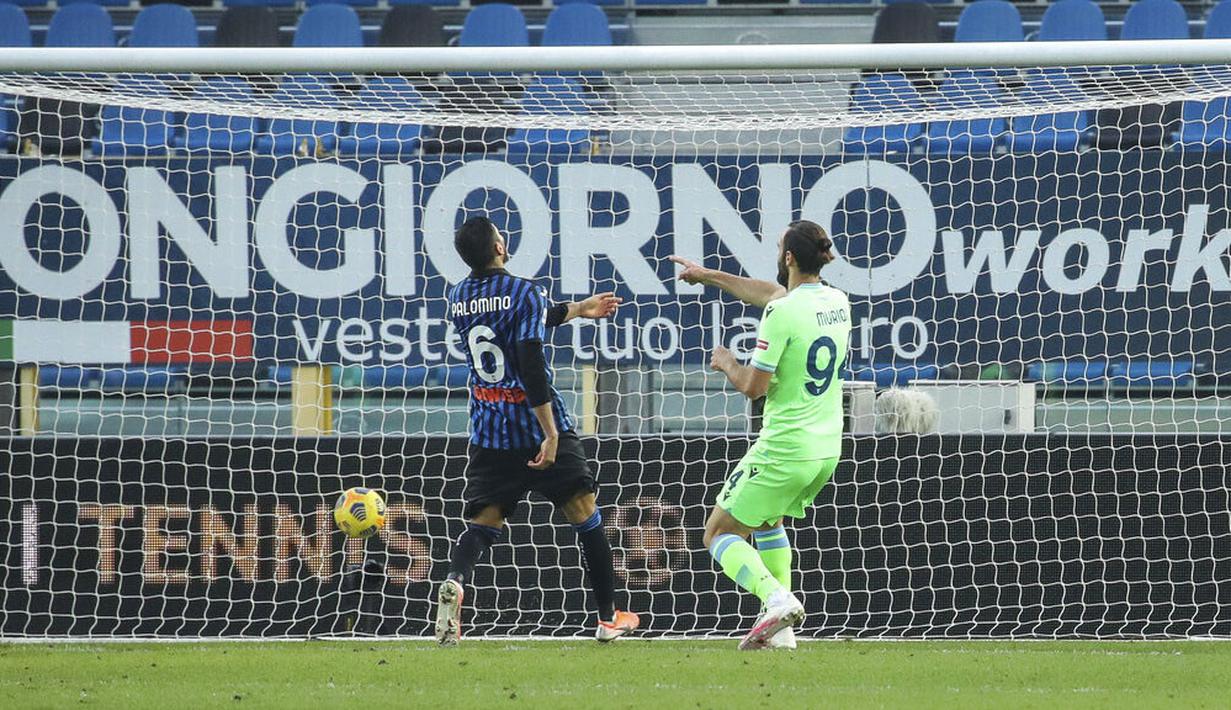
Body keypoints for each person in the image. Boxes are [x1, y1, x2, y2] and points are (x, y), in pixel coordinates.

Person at [436, 215, 641, 645]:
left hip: (490, 431)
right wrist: (550, 433)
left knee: (482, 524)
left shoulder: (457, 297)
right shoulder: (525, 291)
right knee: (586, 515)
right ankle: (608, 618)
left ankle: (455, 579)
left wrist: (579, 309)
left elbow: (524, 318)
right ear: (499, 248)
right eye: (500, 235)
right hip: (538, 426)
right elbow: (530, 360)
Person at [670, 220, 850, 650]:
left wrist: (727, 363)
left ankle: (776, 599)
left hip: (785, 447)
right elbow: (771, 293)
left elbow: (754, 387)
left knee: (718, 534)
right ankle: (782, 633)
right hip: (826, 448)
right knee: (769, 521)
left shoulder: (781, 313)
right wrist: (707, 275)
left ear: (788, 257)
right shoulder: (838, 301)